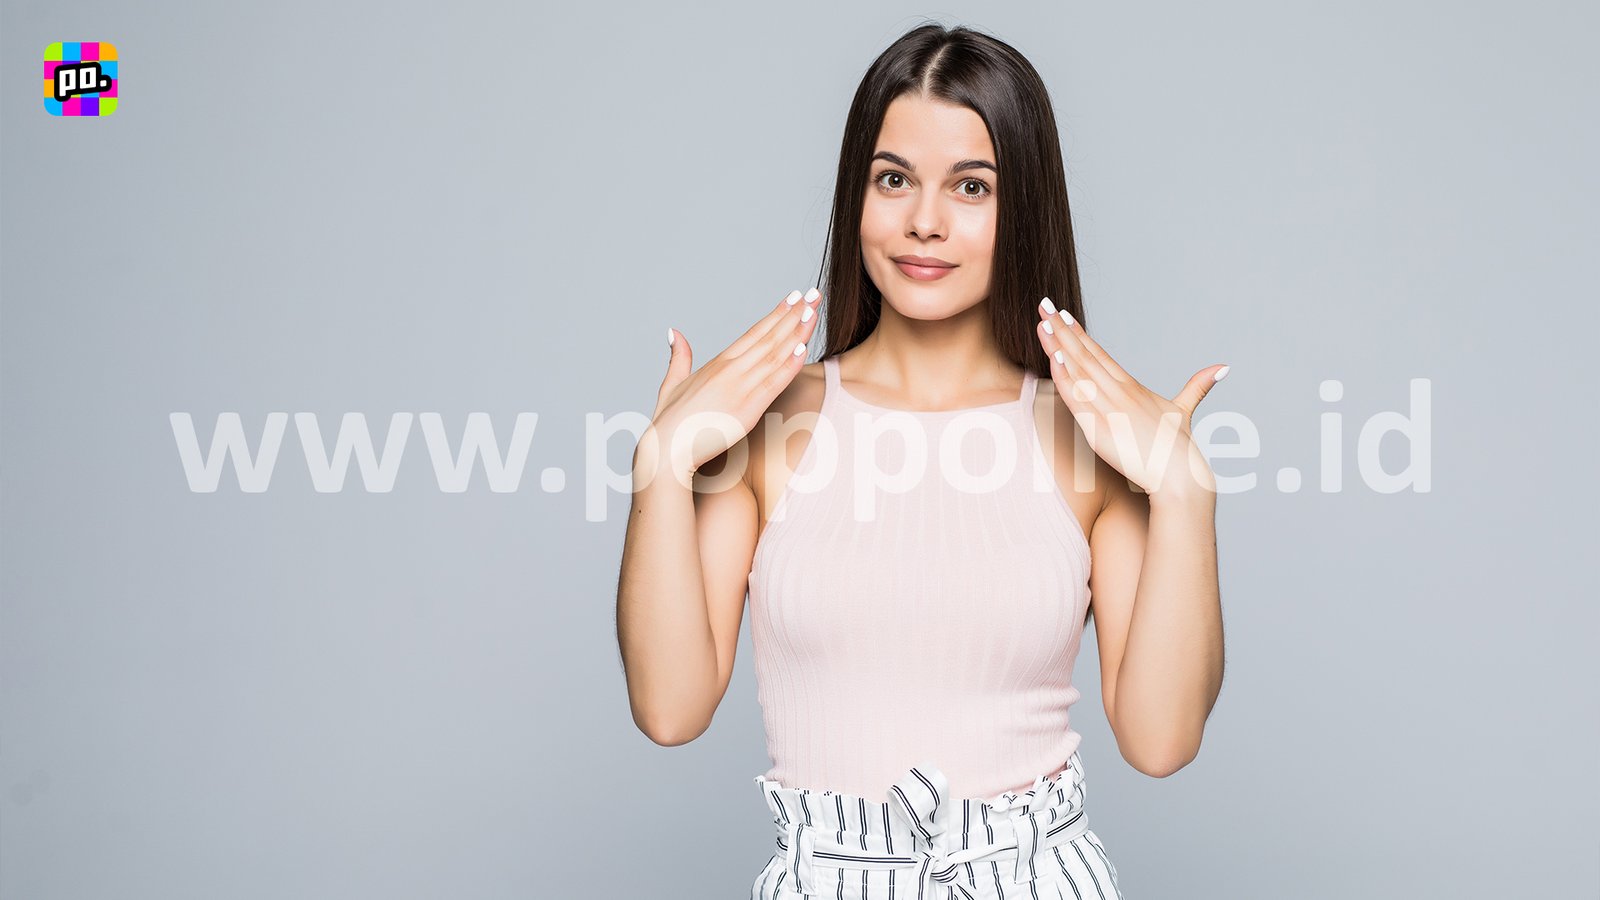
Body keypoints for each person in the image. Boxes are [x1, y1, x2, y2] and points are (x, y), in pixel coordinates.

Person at [616, 21, 1225, 900]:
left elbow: (1160, 741)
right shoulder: (763, 429)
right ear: (856, 195)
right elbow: (669, 709)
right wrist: (661, 465)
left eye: (971, 187)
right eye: (893, 179)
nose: (924, 222)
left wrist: (1186, 493)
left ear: (1023, 208)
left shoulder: (1092, 440)